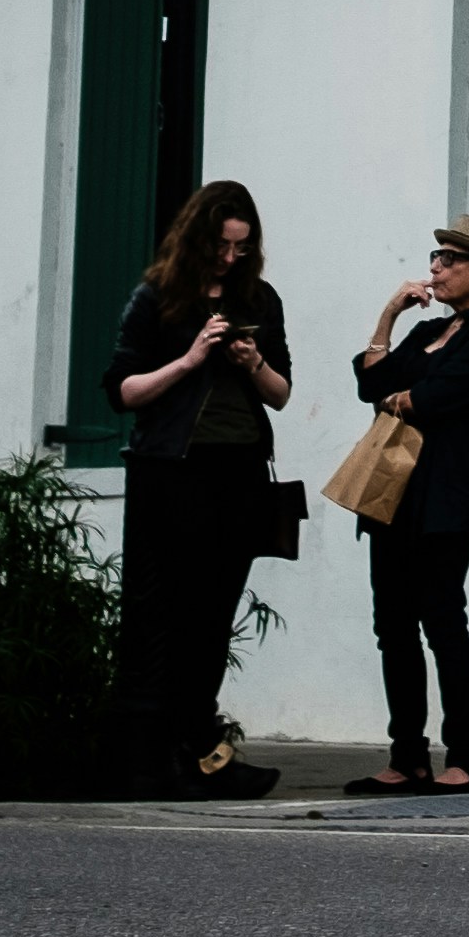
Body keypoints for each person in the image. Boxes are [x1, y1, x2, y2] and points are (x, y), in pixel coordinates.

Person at [104, 178, 294, 799]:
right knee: (159, 614)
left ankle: (201, 752)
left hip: (237, 472)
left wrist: (251, 362)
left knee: (212, 616)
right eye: (221, 244)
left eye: (242, 247)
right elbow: (122, 391)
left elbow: (282, 394)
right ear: (197, 237)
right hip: (169, 471)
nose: (230, 258)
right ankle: (146, 759)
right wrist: (188, 360)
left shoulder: (260, 300)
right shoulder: (158, 297)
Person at [343, 215, 469, 795]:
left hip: (447, 496)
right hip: (393, 493)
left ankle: (466, 759)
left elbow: (435, 398)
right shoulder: (430, 332)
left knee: (444, 623)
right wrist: (390, 315)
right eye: (435, 257)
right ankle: (408, 758)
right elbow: (373, 387)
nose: (435, 268)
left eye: (449, 259)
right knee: (392, 628)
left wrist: (408, 396)